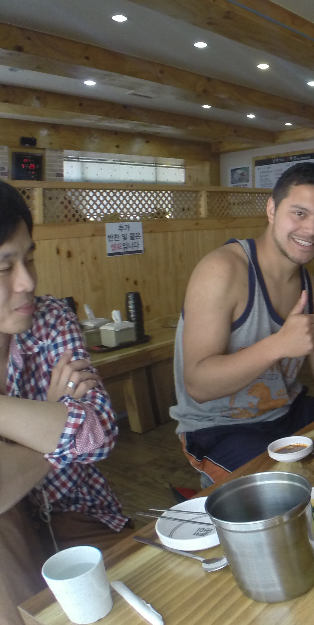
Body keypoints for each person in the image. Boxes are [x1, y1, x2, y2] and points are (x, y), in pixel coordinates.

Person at [170, 163, 314, 487]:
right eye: (299, 213)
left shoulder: (312, 291)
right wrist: (279, 345)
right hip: (219, 427)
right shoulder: (222, 270)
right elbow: (197, 384)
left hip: (287, 412)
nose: (311, 230)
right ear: (271, 209)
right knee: (291, 490)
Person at [0, 181, 128, 625]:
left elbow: (98, 433)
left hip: (75, 512)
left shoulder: (50, 318)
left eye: (30, 258)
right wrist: (52, 422)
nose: (28, 282)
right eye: (4, 267)